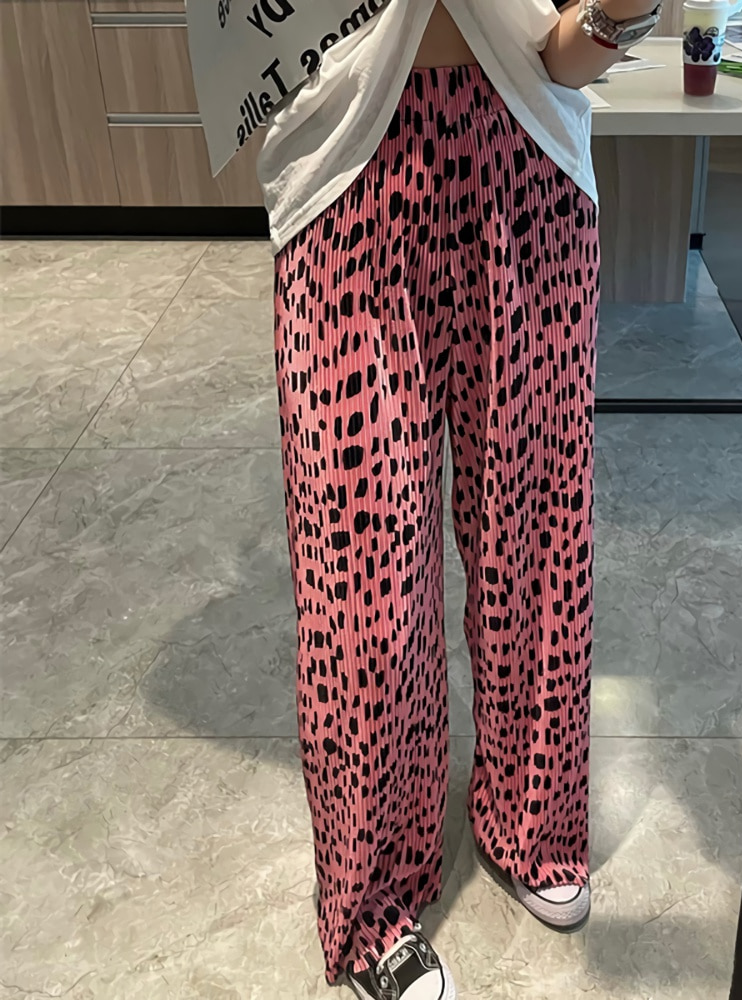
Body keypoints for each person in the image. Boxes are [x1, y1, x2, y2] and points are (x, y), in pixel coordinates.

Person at [259, 2, 663, 997]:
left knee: (539, 540)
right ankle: (369, 897)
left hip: (529, 169)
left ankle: (533, 816)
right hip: (344, 174)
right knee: (363, 577)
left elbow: (563, 54)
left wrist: (623, 11)